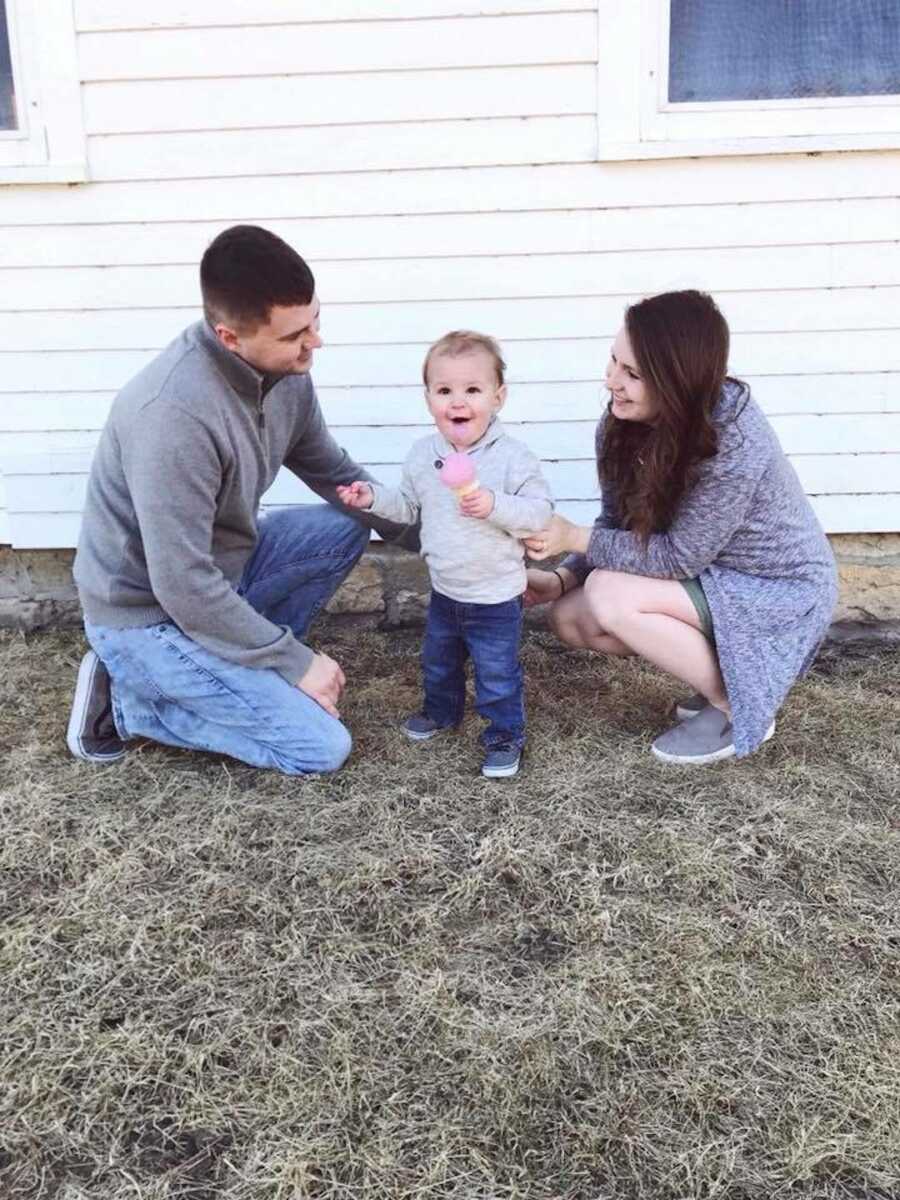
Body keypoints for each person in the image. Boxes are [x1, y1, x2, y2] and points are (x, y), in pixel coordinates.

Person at [67, 224, 414, 775]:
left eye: (316, 320)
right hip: (147, 614)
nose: (315, 341)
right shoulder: (173, 416)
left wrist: (433, 536)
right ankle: (127, 704)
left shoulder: (286, 374)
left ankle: (249, 670)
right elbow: (181, 584)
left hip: (220, 575)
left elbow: (335, 474)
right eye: (294, 334)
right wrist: (296, 662)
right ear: (230, 337)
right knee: (319, 748)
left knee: (344, 524)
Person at [523, 289, 838, 764]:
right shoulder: (620, 423)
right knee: (571, 617)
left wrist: (573, 537)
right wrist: (563, 576)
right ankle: (723, 679)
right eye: (613, 361)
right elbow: (616, 525)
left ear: (677, 381)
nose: (611, 381)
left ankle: (739, 706)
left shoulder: (734, 439)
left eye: (632, 374)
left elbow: (678, 558)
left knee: (610, 594)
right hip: (711, 577)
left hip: (776, 586)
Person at [337, 331, 553, 778]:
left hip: (495, 596)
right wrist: (371, 498)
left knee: (496, 674)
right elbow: (408, 507)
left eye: (473, 390)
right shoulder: (423, 456)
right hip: (446, 591)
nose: (458, 402)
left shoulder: (513, 459)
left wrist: (492, 504)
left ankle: (503, 735)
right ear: (429, 398)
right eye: (445, 390)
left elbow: (538, 515)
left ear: (499, 397)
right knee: (439, 663)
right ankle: (441, 712)